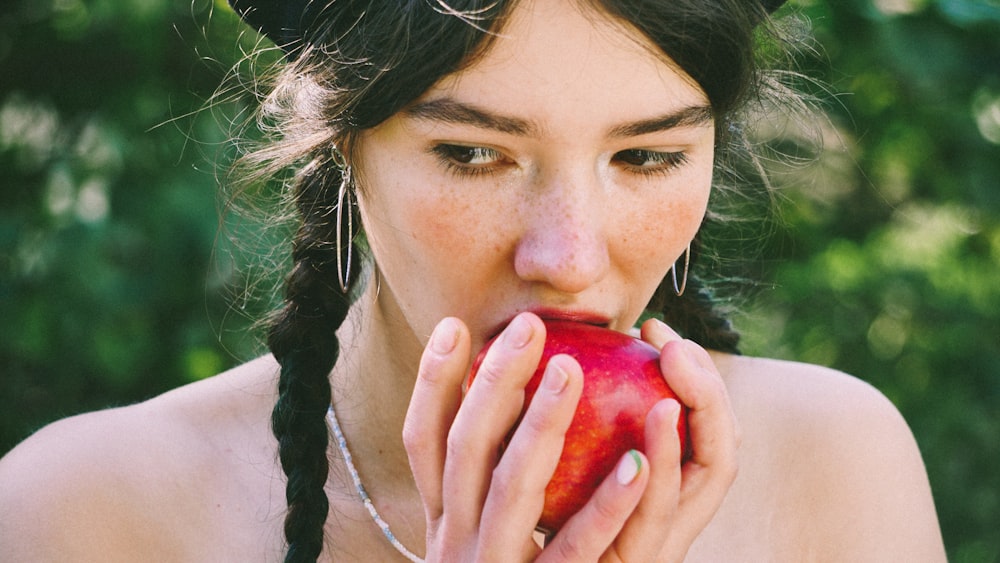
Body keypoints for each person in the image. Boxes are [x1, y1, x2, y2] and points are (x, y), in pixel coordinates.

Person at [0, 0, 947, 561]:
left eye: (649, 157)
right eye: (472, 152)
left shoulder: (833, 468)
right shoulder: (81, 514)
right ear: (342, 145)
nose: (571, 258)